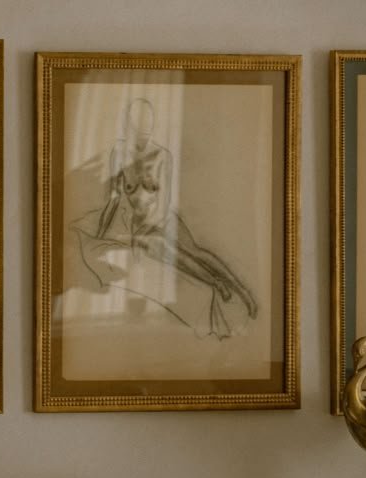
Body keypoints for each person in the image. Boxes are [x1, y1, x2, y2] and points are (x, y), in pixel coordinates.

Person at [96, 98, 257, 321]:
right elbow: (113, 199)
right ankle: (216, 283)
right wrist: (101, 232)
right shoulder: (119, 153)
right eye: (138, 126)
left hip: (160, 219)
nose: (144, 131)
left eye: (147, 125)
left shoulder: (162, 155)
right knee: (171, 251)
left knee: (196, 251)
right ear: (128, 125)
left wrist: (154, 228)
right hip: (137, 225)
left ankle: (242, 291)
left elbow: (164, 203)